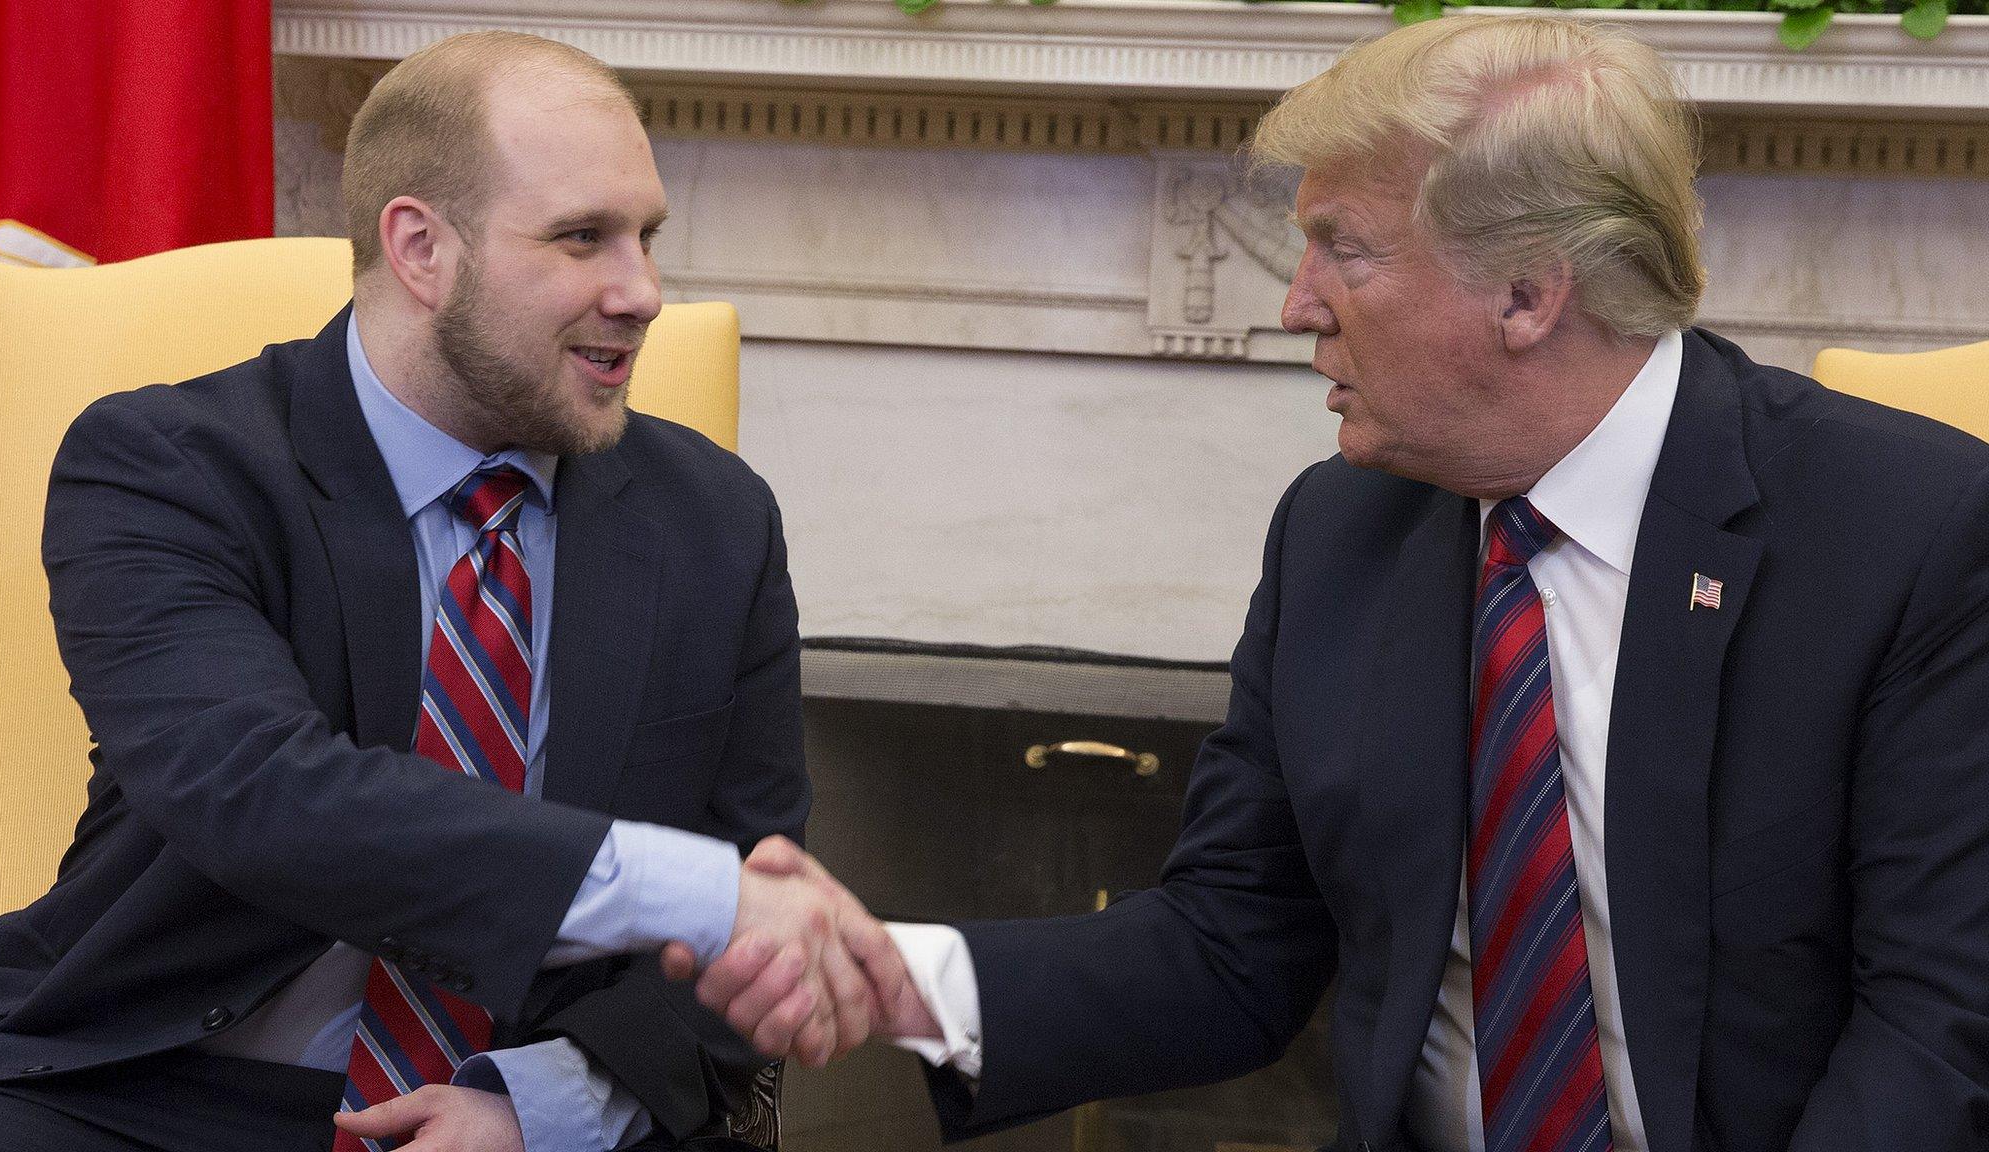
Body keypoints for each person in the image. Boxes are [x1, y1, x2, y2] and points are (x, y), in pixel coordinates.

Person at [681, 14, 1989, 1152]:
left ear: (1526, 294)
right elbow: (1228, 946)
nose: (1298, 302)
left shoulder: (1903, 532)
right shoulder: (1345, 534)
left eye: (1342, 250)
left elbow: (1938, 1023)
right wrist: (903, 977)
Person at [0, 31, 899, 1152]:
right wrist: (686, 889)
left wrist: (540, 1110)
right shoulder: (168, 466)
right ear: (418, 246)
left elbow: (749, 944)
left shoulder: (714, 520)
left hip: (525, 1098)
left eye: (646, 238)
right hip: (140, 1087)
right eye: (582, 237)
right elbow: (260, 793)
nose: (640, 291)